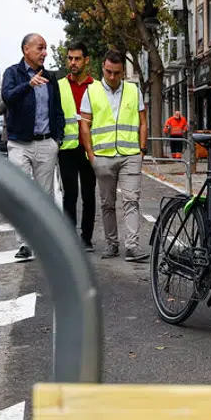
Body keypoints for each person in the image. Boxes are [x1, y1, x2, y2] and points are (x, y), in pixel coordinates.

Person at [80, 49, 149, 262]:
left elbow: (143, 121)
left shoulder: (133, 90)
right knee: (107, 203)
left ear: (122, 73)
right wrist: (91, 154)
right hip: (103, 156)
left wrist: (142, 150)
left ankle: (132, 247)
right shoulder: (91, 91)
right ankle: (112, 244)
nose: (112, 77)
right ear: (103, 68)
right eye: (109, 72)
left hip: (130, 155)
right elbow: (84, 124)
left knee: (131, 200)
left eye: (117, 73)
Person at [1, 33, 65, 260]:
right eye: (40, 48)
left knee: (45, 196)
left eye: (46, 48)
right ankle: (25, 243)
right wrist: (28, 85)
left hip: (46, 143)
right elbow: (7, 98)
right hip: (20, 143)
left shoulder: (50, 77)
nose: (44, 53)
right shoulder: (12, 73)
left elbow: (57, 110)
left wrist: (58, 139)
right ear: (26, 49)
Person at [59, 42, 96, 250]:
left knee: (89, 195)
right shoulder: (60, 85)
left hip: (90, 148)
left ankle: (86, 238)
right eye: (70, 58)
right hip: (67, 148)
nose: (73, 63)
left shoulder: (97, 87)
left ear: (86, 60)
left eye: (77, 59)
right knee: (70, 195)